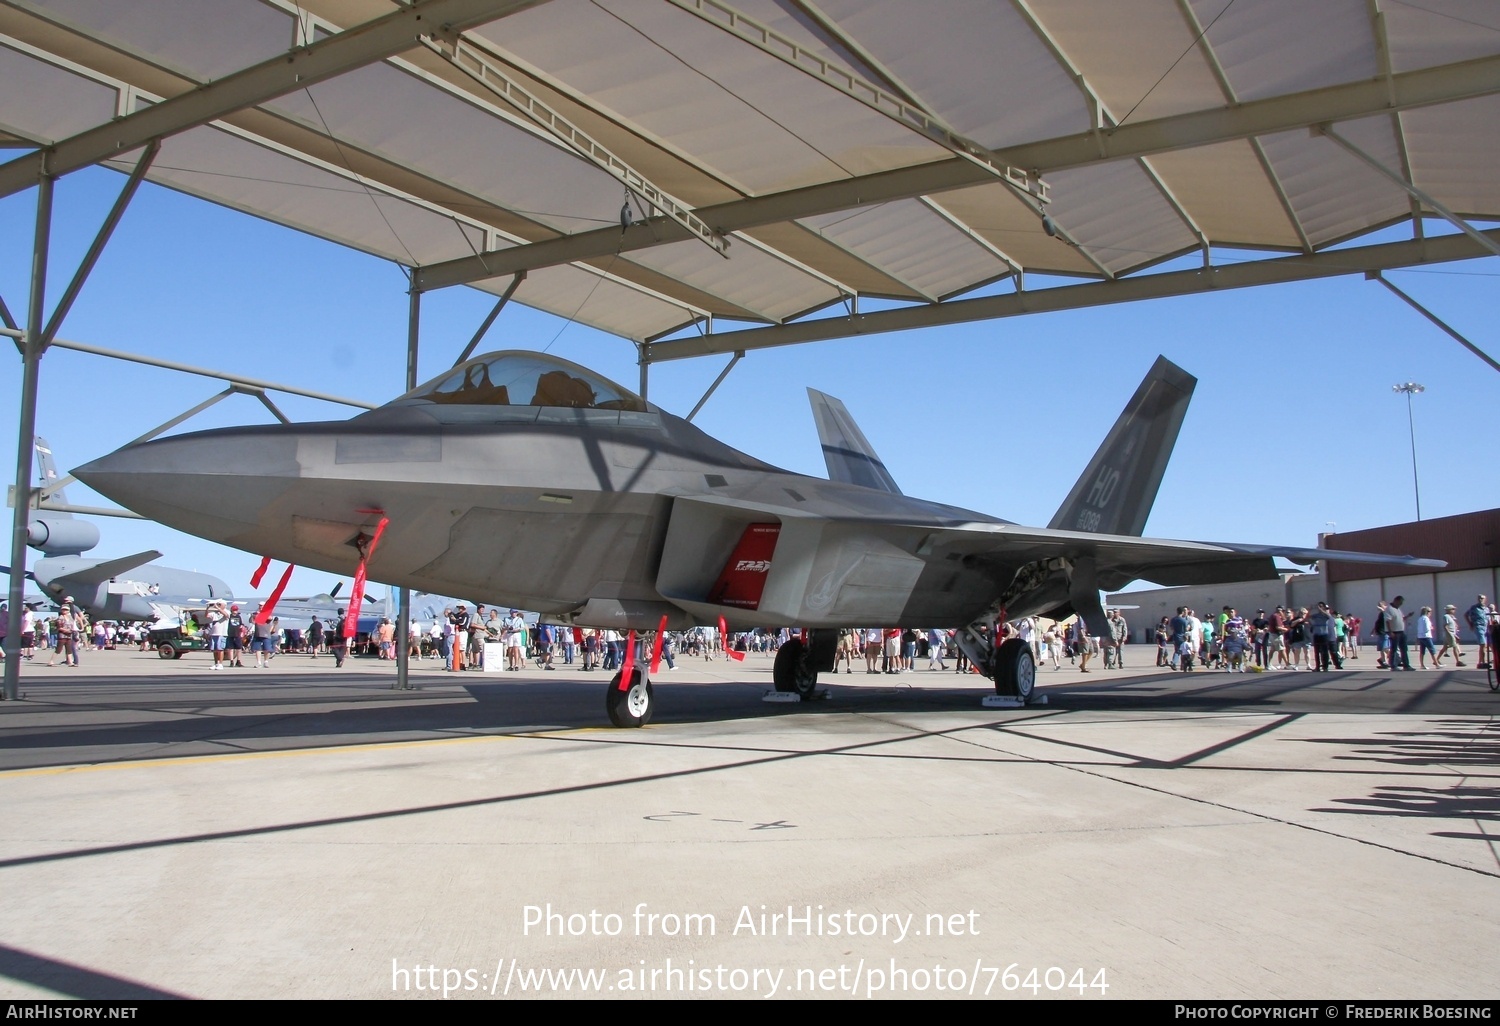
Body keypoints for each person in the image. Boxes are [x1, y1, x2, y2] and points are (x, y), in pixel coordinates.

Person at [1386, 596, 1411, 671]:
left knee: (1404, 648)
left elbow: (1401, 619)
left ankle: (1406, 665)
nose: (1400, 604)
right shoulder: (1389, 609)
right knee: (1393, 649)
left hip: (1401, 631)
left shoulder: (1398, 609)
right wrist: (1390, 632)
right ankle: (1393, 665)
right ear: (1395, 600)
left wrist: (1407, 616)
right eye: (1400, 602)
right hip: (1394, 631)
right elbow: (1387, 621)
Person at [205, 599, 229, 671]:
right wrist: (207, 608)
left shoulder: (227, 611)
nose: (218, 605)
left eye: (219, 604)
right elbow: (206, 616)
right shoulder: (214, 613)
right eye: (217, 604)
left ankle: (220, 664)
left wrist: (218, 608)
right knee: (214, 650)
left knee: (220, 649)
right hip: (214, 633)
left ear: (224, 605)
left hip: (221, 633)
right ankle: (216, 663)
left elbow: (226, 615)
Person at [1467, 595, 1491, 670]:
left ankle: (1480, 662)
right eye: (1479, 598)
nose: (1481, 599)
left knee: (1484, 645)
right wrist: (1470, 624)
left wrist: (1490, 627)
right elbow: (1466, 615)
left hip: (1485, 628)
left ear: (1485, 599)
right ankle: (1483, 662)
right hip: (1478, 626)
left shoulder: (1487, 609)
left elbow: (1488, 619)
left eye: (1482, 598)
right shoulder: (1474, 608)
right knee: (1482, 644)